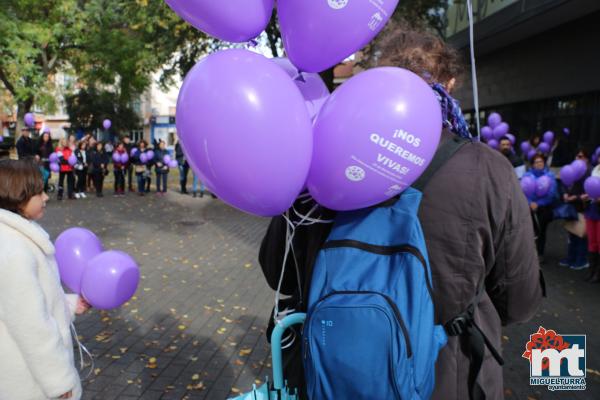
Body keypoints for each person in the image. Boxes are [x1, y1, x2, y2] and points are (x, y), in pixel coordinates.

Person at [259, 24, 543, 400]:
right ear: (450, 85)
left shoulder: (321, 151)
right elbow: (520, 301)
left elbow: (277, 269)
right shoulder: (488, 170)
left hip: (336, 371)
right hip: (448, 377)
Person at [0, 159, 90, 400]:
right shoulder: (14, 249)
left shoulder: (13, 237)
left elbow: (32, 300)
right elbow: (31, 326)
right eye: (38, 192)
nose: (46, 198)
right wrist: (59, 382)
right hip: (30, 383)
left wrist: (69, 304)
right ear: (17, 195)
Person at [523, 154, 558, 261]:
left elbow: (552, 194)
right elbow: (523, 190)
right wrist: (530, 203)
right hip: (529, 208)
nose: (539, 164)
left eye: (541, 162)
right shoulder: (527, 175)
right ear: (532, 164)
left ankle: (540, 253)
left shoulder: (550, 176)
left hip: (544, 209)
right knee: (528, 231)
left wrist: (539, 204)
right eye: (536, 162)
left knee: (541, 231)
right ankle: (528, 253)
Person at [560, 148, 591, 270]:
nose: (578, 158)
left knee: (580, 234)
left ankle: (581, 260)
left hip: (582, 207)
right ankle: (571, 258)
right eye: (577, 156)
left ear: (587, 158)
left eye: (581, 156)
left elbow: (588, 193)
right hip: (572, 207)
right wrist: (565, 194)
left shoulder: (589, 171)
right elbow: (566, 183)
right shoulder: (573, 168)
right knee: (572, 233)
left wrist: (576, 197)